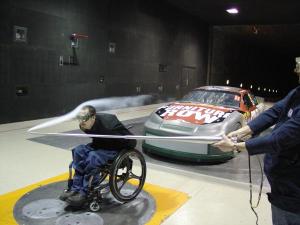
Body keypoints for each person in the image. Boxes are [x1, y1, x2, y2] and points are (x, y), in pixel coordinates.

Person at [213, 58, 300, 225]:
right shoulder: (297, 92)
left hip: (293, 193)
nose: (296, 71)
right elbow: (274, 112)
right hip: (282, 187)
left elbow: (278, 140)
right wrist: (240, 132)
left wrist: (236, 146)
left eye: (298, 67)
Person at [59, 105, 136, 206]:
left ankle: (85, 192)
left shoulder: (109, 125)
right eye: (79, 119)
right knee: (78, 151)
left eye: (84, 119)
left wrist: (125, 155)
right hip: (99, 144)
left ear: (93, 117)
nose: (81, 122)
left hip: (115, 148)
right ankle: (75, 188)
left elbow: (131, 142)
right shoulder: (85, 125)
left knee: (93, 157)